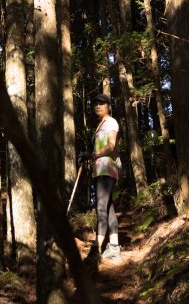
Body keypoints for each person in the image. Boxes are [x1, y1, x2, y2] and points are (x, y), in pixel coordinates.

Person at [78, 93, 121, 263]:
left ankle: (96, 250)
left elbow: (111, 146)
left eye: (102, 103)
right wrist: (90, 157)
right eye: (95, 103)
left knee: (101, 208)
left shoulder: (111, 122)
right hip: (100, 170)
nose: (98, 106)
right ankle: (114, 247)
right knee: (108, 208)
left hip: (107, 169)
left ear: (109, 106)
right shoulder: (100, 124)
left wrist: (92, 155)